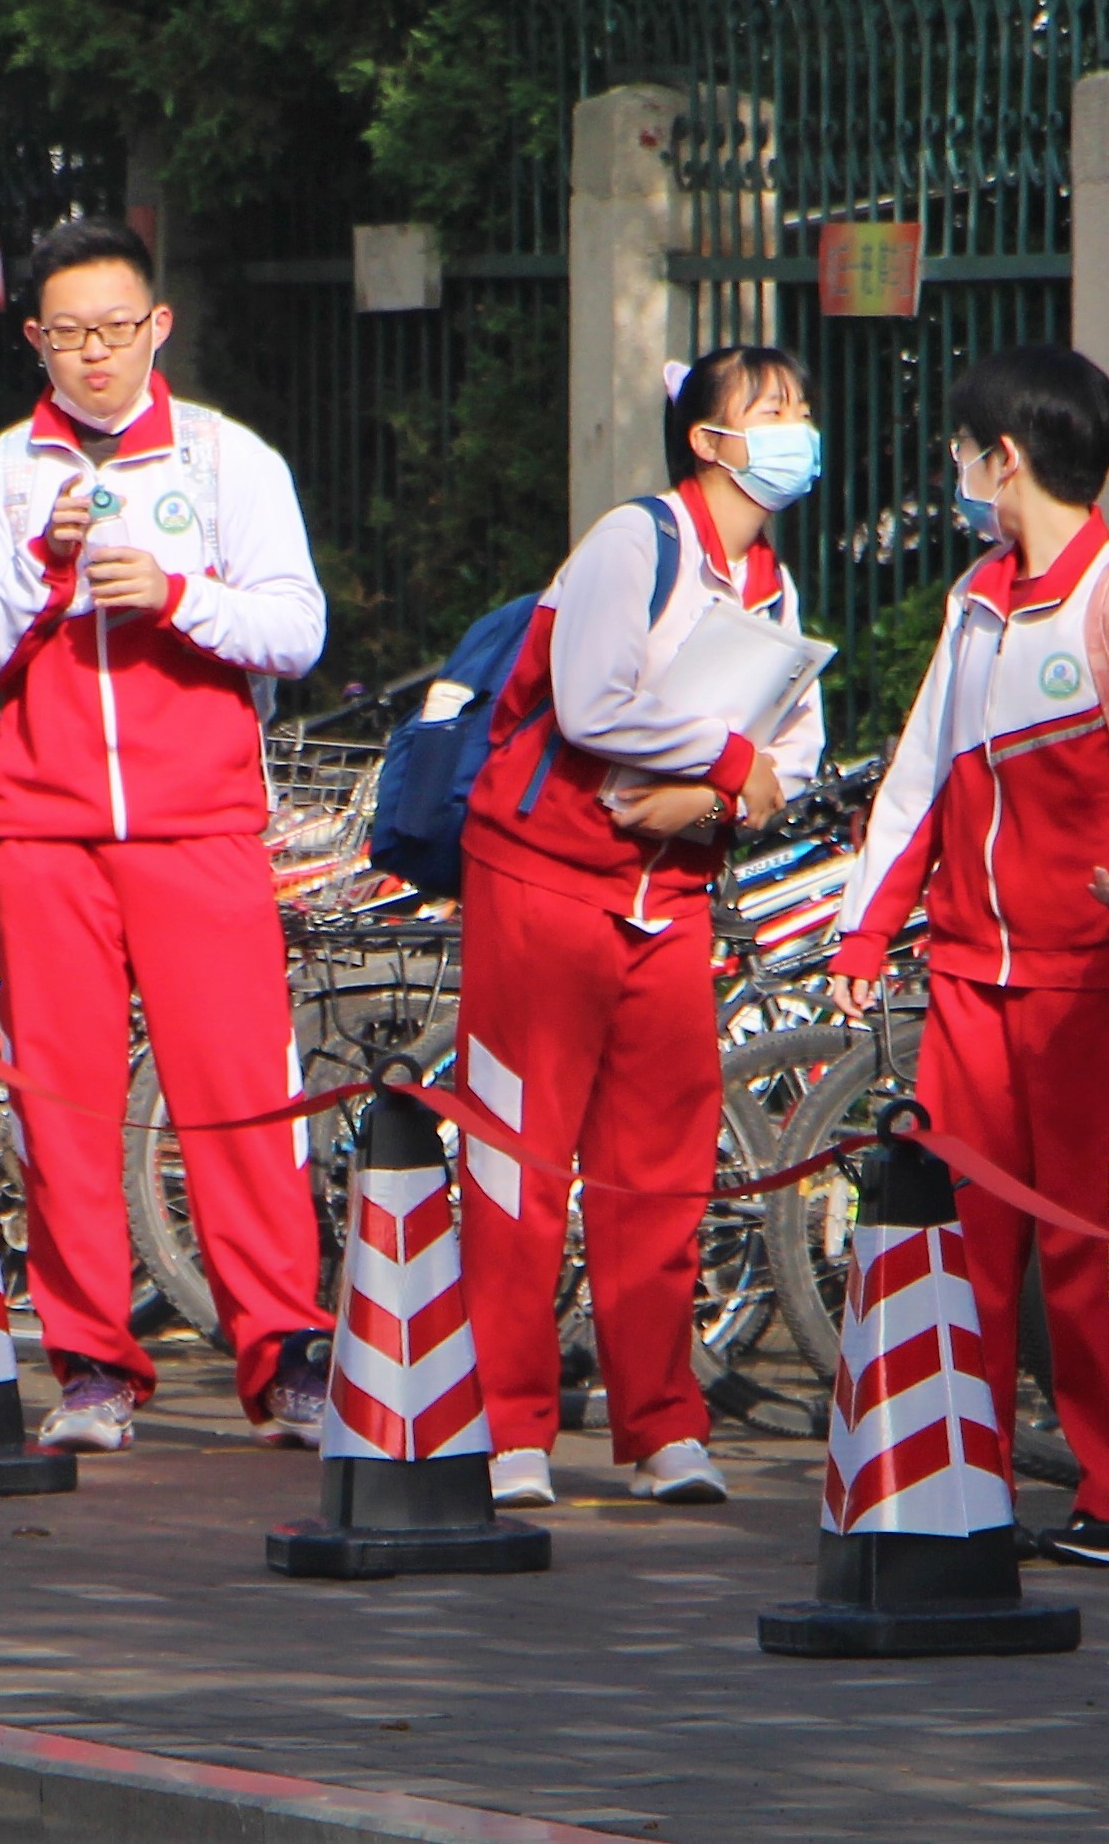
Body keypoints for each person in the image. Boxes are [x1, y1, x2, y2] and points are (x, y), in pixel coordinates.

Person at [0, 218, 330, 1451]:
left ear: (157, 328)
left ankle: (286, 1361)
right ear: (34, 339)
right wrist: (36, 578)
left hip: (196, 820)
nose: (94, 355)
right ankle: (94, 1366)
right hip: (46, 832)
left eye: (117, 328)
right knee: (63, 1105)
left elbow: (296, 629)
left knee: (239, 1100)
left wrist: (179, 597)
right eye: (69, 334)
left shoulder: (225, 460)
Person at [831, 342, 1109, 1562]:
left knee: (1108, 1259)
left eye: (964, 453)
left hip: (1100, 992)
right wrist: (864, 926)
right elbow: (915, 781)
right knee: (963, 1253)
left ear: (1004, 459)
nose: (957, 472)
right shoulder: (974, 604)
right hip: (969, 986)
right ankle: (962, 1488)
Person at [461, 343, 830, 1511]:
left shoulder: (770, 581)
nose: (793, 428)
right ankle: (509, 1426)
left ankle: (662, 1424)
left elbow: (800, 748)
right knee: (521, 1166)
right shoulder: (636, 541)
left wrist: (716, 798)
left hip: (667, 898)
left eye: (800, 408)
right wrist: (730, 763)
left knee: (660, 1171)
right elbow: (593, 698)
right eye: (766, 411)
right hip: (544, 880)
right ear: (707, 438)